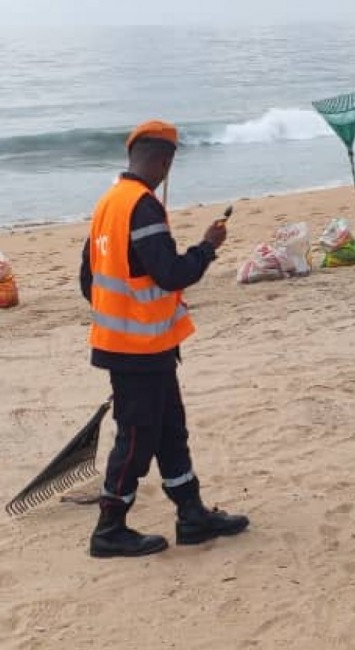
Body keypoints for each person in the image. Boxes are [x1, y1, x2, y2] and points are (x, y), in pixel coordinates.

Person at [77, 120, 250, 558]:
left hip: (135, 343)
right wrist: (208, 247)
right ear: (164, 161)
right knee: (136, 438)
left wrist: (123, 309)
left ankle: (191, 514)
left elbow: (88, 278)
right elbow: (172, 272)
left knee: (171, 429)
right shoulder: (142, 206)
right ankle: (108, 528)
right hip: (138, 346)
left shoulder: (108, 203)